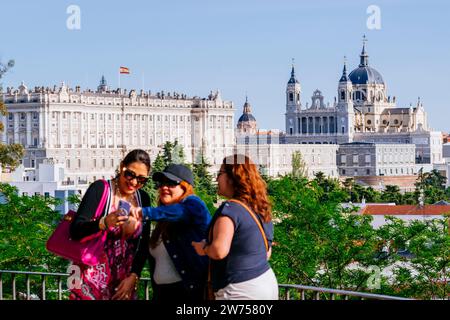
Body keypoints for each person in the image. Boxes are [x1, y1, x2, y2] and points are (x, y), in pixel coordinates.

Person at [115, 164, 211, 301]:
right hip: (162, 293)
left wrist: (141, 212)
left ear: (185, 187)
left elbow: (178, 212)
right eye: (161, 183)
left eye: (171, 183)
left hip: (188, 293)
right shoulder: (162, 219)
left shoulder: (194, 204)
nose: (164, 187)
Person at [192, 154, 278, 300]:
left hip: (238, 289)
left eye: (219, 174)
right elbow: (266, 253)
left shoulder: (230, 210)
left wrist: (203, 248)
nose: (216, 179)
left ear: (233, 177)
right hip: (265, 282)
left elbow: (219, 251)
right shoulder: (260, 209)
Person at [69, 149, 151, 300]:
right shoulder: (101, 189)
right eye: (130, 175)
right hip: (91, 280)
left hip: (123, 284)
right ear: (121, 167)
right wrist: (103, 223)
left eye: (141, 180)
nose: (133, 182)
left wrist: (134, 276)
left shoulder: (143, 199)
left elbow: (144, 244)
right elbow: (75, 230)